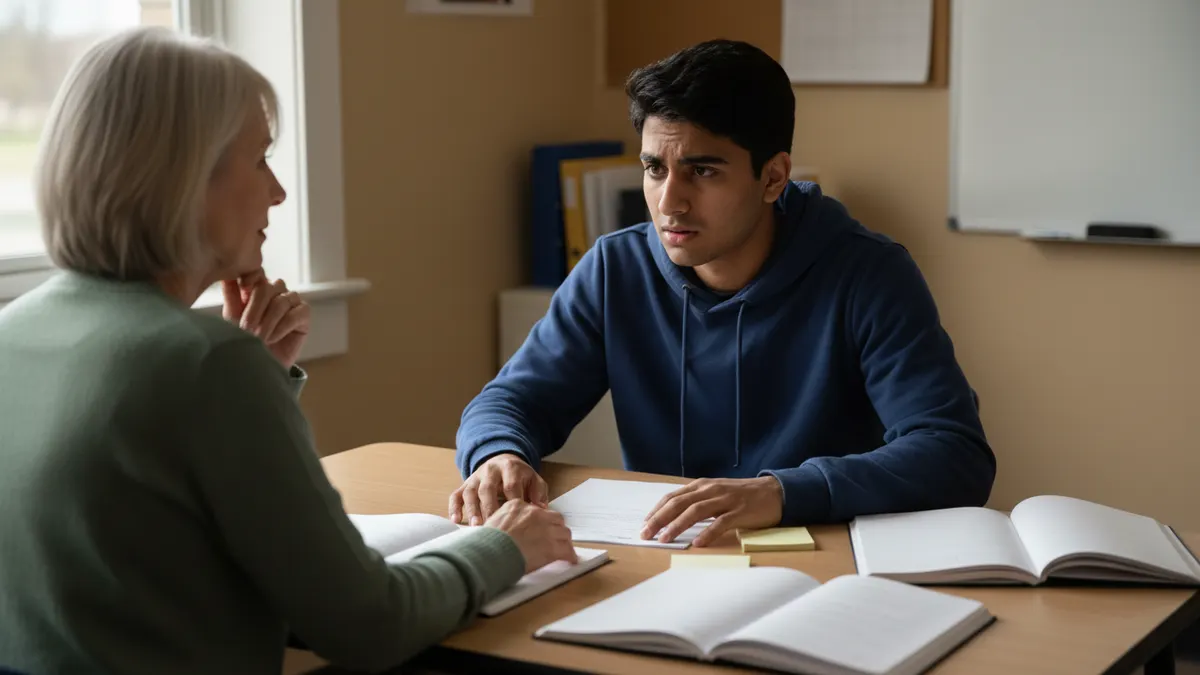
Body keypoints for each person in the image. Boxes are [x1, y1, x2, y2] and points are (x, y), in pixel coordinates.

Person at [0, 27, 576, 675]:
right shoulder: (207, 364)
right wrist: (504, 545)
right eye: (260, 160)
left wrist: (260, 374)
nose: (276, 192)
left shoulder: (14, 331)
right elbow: (371, 623)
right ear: (188, 177)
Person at [451, 39, 995, 546]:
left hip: (821, 560)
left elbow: (954, 453)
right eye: (653, 168)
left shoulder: (869, 273)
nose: (670, 203)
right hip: (670, 554)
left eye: (702, 171)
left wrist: (782, 492)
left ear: (774, 178)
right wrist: (498, 453)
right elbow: (512, 400)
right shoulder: (615, 268)